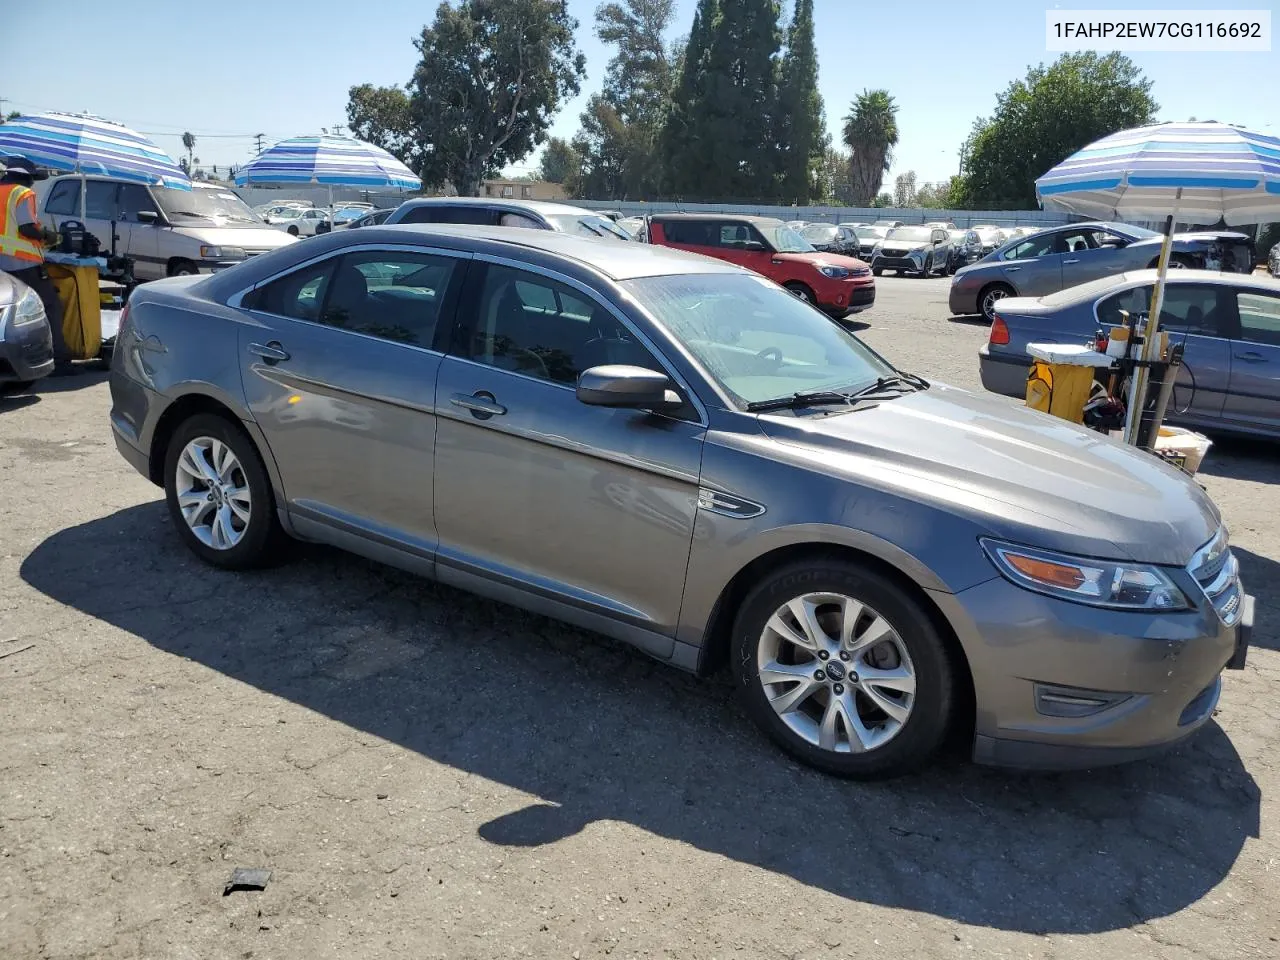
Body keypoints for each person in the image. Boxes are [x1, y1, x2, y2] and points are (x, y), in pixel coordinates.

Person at [0, 157, 74, 375]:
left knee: (11, 311)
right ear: (27, 178)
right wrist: (50, 236)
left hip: (3, 265)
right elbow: (27, 229)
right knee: (48, 306)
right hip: (23, 263)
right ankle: (58, 360)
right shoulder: (22, 193)